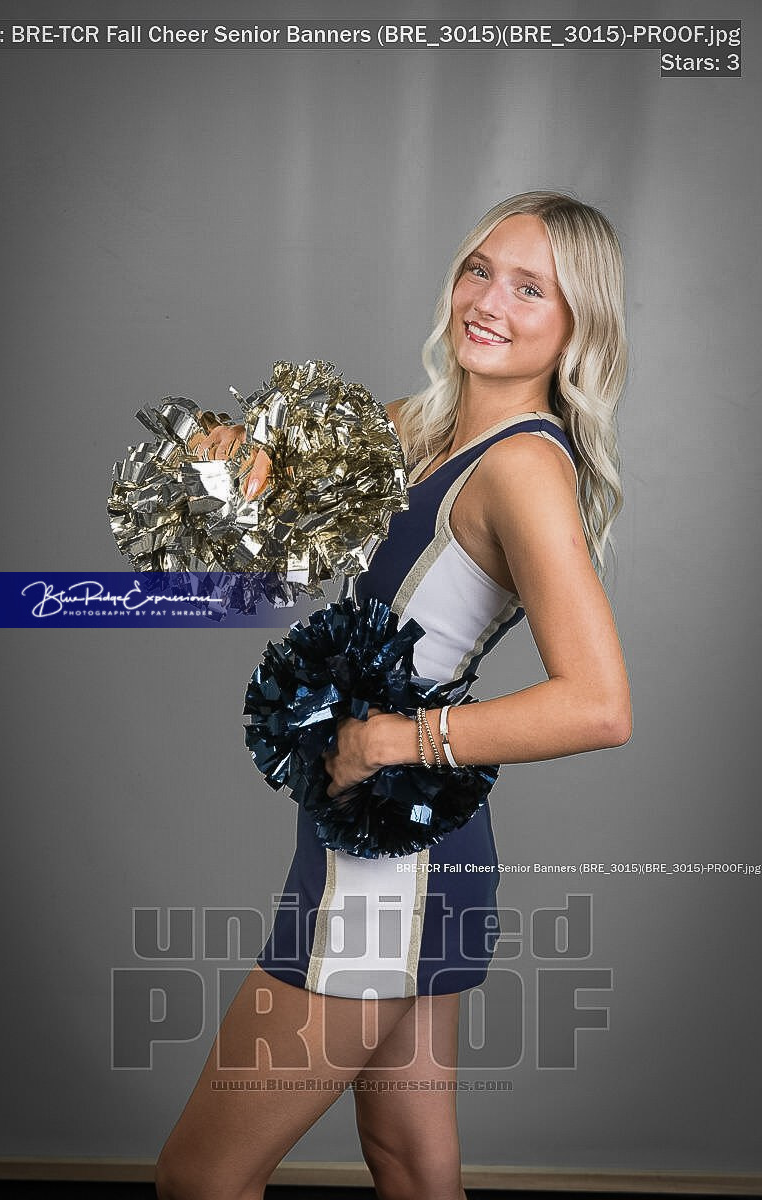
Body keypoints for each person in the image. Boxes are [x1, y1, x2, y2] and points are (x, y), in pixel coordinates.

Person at [155, 191, 632, 1200]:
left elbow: (598, 703)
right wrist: (230, 454)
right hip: (397, 849)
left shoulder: (521, 468)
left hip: (391, 867)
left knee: (202, 1177)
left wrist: (394, 740)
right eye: (479, 270)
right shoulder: (427, 428)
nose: (488, 301)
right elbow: (274, 472)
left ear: (575, 325)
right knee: (409, 1163)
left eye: (530, 288)